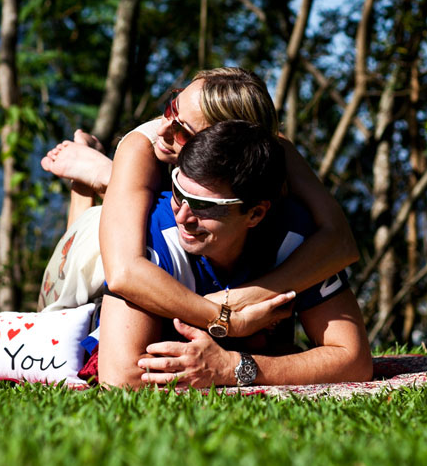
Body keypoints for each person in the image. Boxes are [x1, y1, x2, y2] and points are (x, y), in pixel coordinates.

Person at [39, 67, 358, 340]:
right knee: (101, 231)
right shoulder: (146, 145)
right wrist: (226, 319)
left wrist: (250, 294)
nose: (163, 127)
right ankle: (94, 182)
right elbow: (123, 272)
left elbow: (341, 242)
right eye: (170, 108)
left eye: (181, 131)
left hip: (185, 226)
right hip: (116, 225)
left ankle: (106, 178)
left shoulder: (275, 151)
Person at [97, 120, 373, 388]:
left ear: (255, 213)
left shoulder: (295, 238)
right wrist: (231, 323)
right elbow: (121, 376)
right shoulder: (152, 228)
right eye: (177, 192)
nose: (182, 216)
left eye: (205, 207)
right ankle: (93, 174)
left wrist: (232, 367)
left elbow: (354, 361)